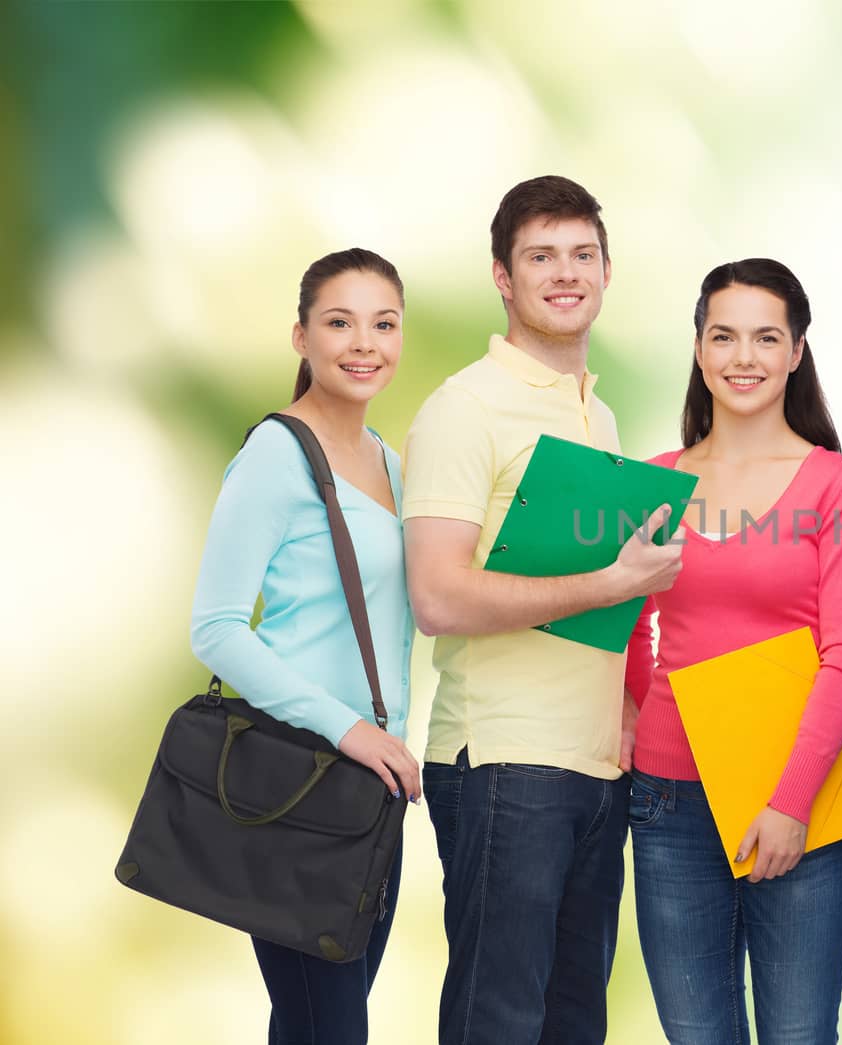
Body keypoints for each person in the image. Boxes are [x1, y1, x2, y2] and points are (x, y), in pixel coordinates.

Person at [402, 175, 684, 1045]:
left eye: (582, 254)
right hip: (504, 763)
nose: (565, 274)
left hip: (597, 769)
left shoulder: (594, 413)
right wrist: (613, 584)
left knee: (572, 1026)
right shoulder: (464, 408)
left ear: (606, 269)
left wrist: (631, 708)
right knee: (499, 1021)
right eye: (540, 256)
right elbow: (437, 595)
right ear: (502, 275)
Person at [623, 259, 842, 1045]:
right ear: (698, 349)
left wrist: (790, 801)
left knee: (800, 1035)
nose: (744, 357)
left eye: (766, 337)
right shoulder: (657, 479)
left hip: (798, 797)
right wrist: (634, 718)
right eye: (723, 336)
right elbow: (626, 620)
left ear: (797, 351)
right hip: (669, 800)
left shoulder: (833, 484)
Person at [190, 247, 418, 1044]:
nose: (365, 343)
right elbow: (216, 626)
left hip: (373, 796)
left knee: (315, 1024)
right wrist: (349, 728)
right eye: (340, 322)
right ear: (302, 337)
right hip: (296, 782)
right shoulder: (275, 456)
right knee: (330, 1026)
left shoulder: (393, 462)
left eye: (383, 324)